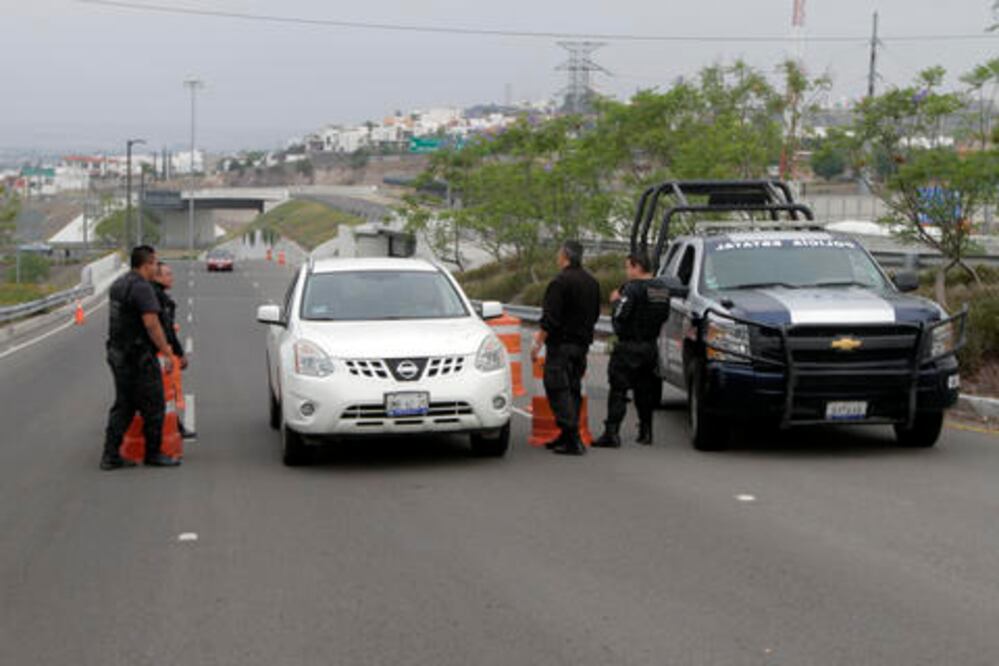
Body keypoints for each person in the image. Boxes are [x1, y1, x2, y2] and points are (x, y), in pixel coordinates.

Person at [100, 245, 180, 470]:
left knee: (124, 405)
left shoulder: (118, 284)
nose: (157, 267)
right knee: (154, 404)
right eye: (155, 263)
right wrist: (166, 350)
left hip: (117, 353)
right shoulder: (142, 288)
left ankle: (110, 455)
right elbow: (152, 324)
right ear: (146, 264)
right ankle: (153, 454)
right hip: (137, 356)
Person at [592, 252, 672, 448]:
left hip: (629, 346)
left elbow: (620, 318)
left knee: (618, 389)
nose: (626, 271)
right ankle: (646, 431)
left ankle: (612, 433)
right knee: (644, 390)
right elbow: (664, 315)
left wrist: (615, 302)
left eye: (628, 267)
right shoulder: (662, 289)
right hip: (650, 346)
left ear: (637, 267)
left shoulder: (631, 289)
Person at [530, 240, 601, 456]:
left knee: (557, 388)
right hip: (581, 345)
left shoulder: (559, 282)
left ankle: (572, 437)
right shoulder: (592, 282)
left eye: (558, 253)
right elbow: (596, 313)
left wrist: (537, 343)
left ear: (565, 256)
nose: (557, 257)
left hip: (561, 344)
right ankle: (567, 433)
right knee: (572, 389)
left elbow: (550, 318)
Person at [152, 261, 196, 440]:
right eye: (167, 274)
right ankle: (167, 430)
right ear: (157, 276)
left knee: (163, 393)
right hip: (158, 354)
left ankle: (174, 425)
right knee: (163, 393)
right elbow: (167, 330)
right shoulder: (159, 300)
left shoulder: (157, 296)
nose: (172, 277)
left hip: (156, 352)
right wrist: (178, 354)